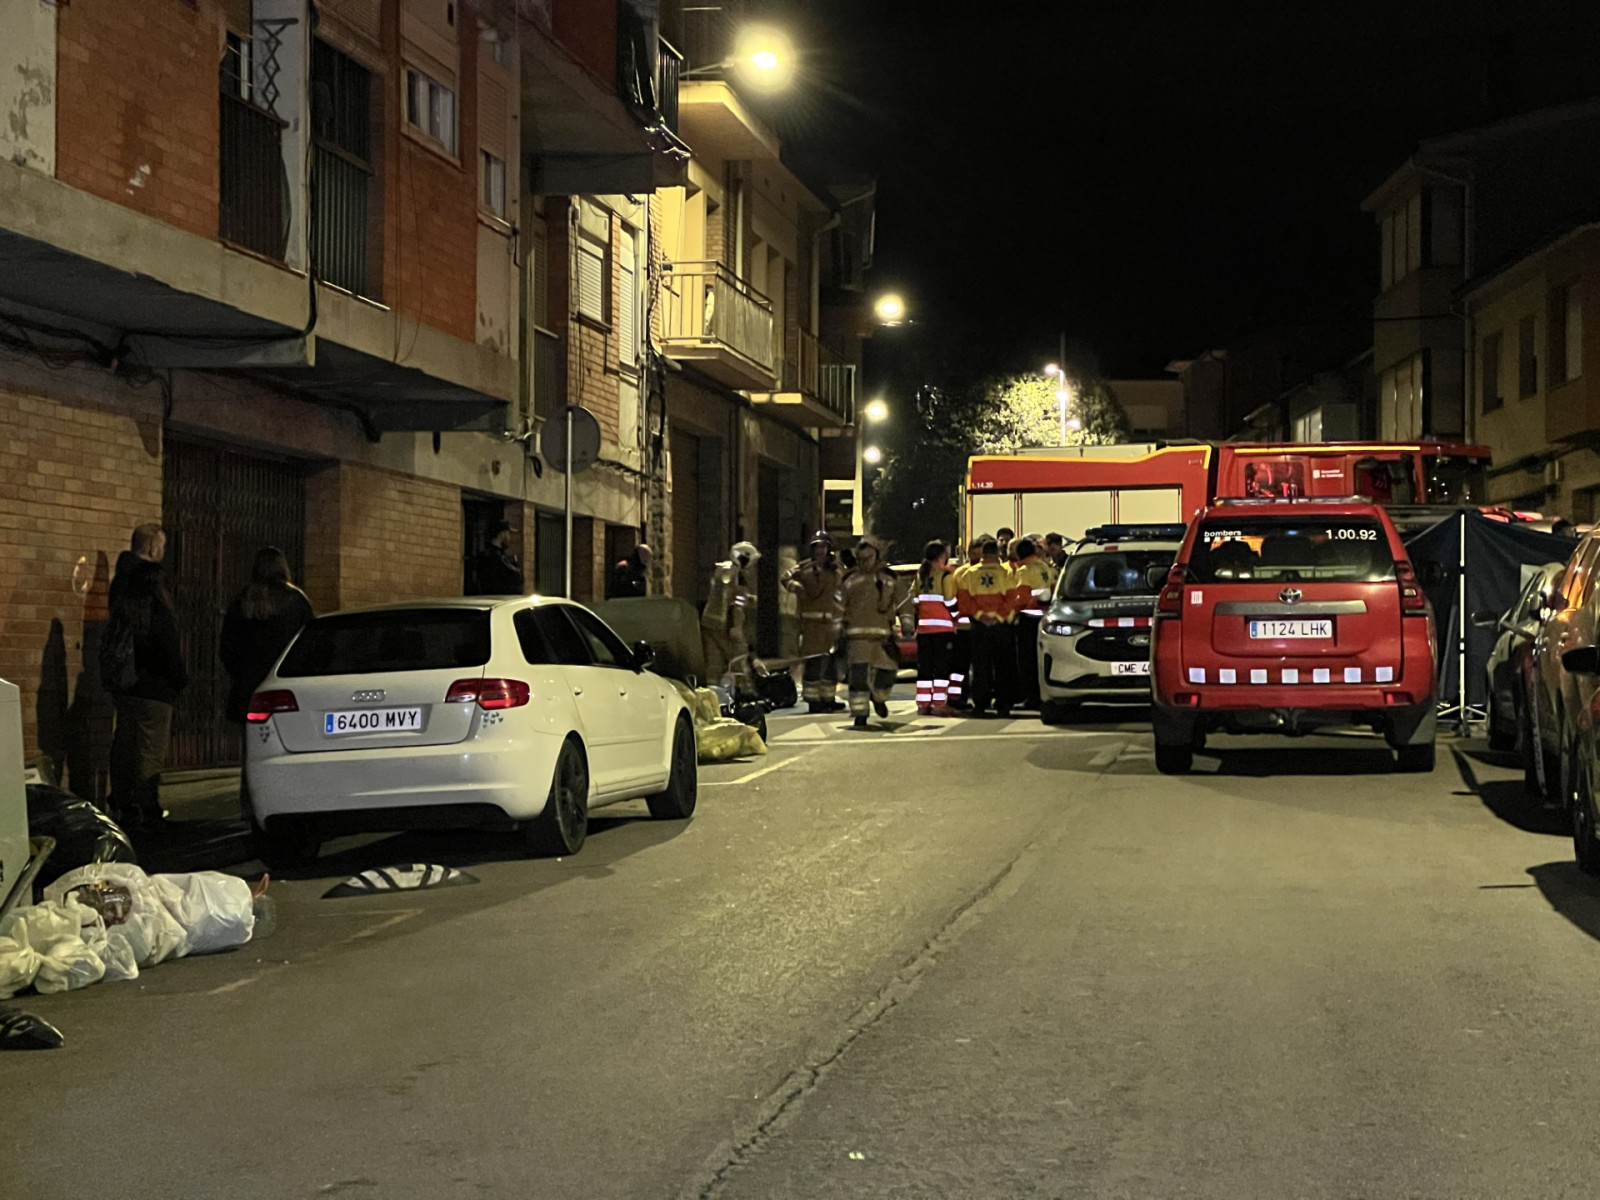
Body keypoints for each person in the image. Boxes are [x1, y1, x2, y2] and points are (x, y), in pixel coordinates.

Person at [107, 524, 187, 829]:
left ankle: (123, 802)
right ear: (152, 547)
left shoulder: (121, 585)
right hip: (154, 686)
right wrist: (179, 680)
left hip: (124, 680)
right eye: (162, 546)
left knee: (125, 741)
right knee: (150, 749)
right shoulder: (153, 597)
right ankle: (147, 807)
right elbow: (166, 648)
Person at [220, 547, 315, 726]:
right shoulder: (295, 600)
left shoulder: (242, 600)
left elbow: (227, 648)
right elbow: (309, 643)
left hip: (248, 688)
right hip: (285, 685)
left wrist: (242, 674)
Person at [840, 539, 899, 729]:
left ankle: (878, 697)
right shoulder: (849, 580)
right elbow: (837, 606)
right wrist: (835, 630)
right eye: (862, 559)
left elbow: (903, 601)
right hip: (857, 637)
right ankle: (860, 714)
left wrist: (906, 621)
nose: (865, 562)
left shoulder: (889, 578)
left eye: (869, 558)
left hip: (883, 637)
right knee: (858, 677)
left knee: (887, 672)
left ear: (877, 557)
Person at [957, 538, 1018, 718]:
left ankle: (980, 704)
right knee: (1002, 667)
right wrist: (998, 616)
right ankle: (1003, 705)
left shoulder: (970, 573)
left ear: (982, 554)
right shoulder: (1006, 573)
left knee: (981, 667)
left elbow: (964, 601)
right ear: (998, 554)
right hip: (1001, 626)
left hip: (979, 627)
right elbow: (1012, 599)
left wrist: (980, 616)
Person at [783, 537, 844, 712]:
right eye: (817, 547)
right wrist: (793, 585)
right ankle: (813, 700)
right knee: (814, 661)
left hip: (832, 623)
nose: (820, 550)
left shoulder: (837, 568)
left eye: (824, 547)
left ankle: (828, 698)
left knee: (831, 663)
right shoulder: (804, 567)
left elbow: (845, 588)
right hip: (812, 624)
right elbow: (785, 577)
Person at [701, 541, 760, 686]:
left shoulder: (726, 569)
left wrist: (748, 599)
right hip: (725, 624)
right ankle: (744, 690)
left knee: (715, 662)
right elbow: (731, 598)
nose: (751, 566)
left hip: (712, 622)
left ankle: (715, 694)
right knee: (738, 658)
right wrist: (736, 626)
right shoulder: (730, 572)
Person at [912, 540, 959, 716]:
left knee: (924, 668)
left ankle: (923, 704)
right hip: (942, 628)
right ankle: (939, 704)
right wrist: (956, 617)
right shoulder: (945, 575)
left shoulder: (921, 574)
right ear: (941, 556)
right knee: (941, 668)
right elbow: (950, 601)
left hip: (924, 629)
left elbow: (915, 600)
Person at [1009, 536, 1053, 711]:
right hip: (1043, 618)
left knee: (1027, 663)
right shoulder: (1044, 567)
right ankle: (1042, 696)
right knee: (1040, 661)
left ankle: (1031, 698)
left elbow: (1022, 598)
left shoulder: (1024, 570)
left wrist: (1012, 612)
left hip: (1027, 621)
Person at [948, 533, 988, 710]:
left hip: (981, 626)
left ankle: (982, 698)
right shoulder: (960, 573)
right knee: (959, 668)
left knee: (981, 667)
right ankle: (957, 698)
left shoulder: (988, 572)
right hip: (963, 627)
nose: (976, 556)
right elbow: (953, 599)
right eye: (974, 552)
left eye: (979, 553)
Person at [471, 520, 525, 595]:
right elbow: (516, 577)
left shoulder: (491, 555)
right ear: (502, 534)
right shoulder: (494, 556)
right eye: (508, 533)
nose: (510, 538)